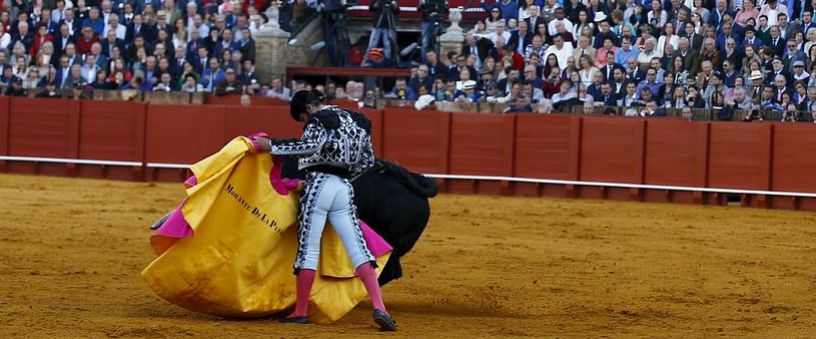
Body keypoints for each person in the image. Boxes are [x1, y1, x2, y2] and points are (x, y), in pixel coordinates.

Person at [251, 90, 397, 331]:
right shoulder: (358, 121)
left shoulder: (318, 118)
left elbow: (310, 146)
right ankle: (380, 307)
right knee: (358, 249)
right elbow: (368, 161)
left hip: (318, 184)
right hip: (344, 188)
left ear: (308, 108)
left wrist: (272, 145)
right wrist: (345, 177)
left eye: (302, 119)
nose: (304, 123)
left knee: (308, 248)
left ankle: (300, 311)